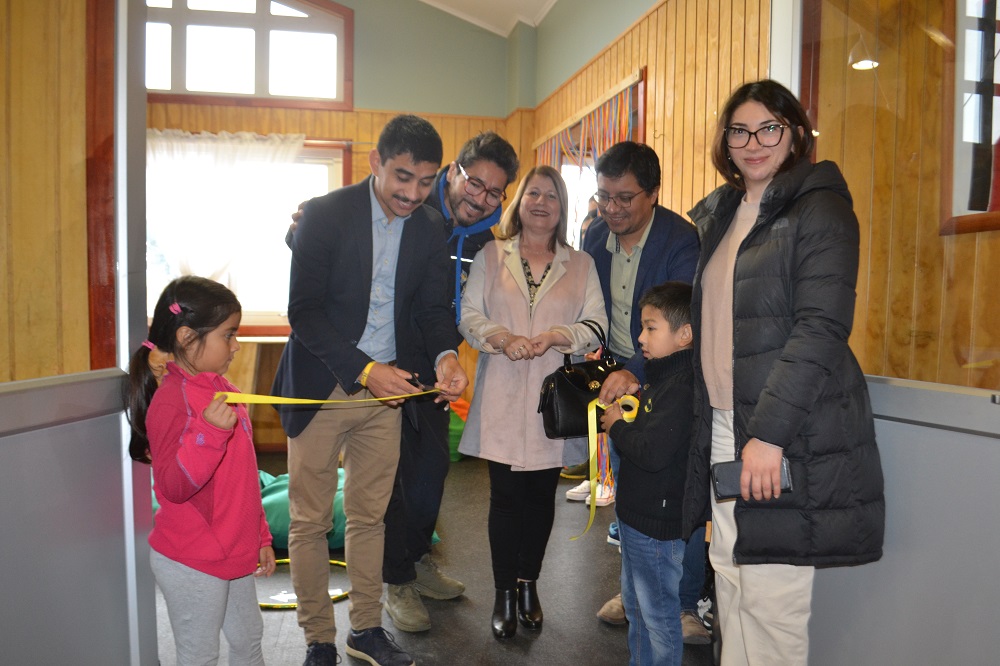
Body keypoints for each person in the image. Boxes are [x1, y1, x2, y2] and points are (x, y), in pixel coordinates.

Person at [682, 79, 885, 665]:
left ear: (794, 133)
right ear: (725, 139)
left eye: (768, 127)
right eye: (740, 130)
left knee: (772, 603)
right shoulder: (724, 211)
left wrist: (767, 437)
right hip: (726, 423)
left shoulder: (818, 207)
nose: (753, 142)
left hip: (779, 432)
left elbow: (820, 328)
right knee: (732, 581)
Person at [271, 114, 469, 666]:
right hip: (320, 386)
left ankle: (364, 629)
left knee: (369, 517)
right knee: (310, 521)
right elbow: (304, 313)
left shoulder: (433, 228)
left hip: (388, 394)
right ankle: (318, 638)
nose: (412, 193)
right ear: (375, 163)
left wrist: (447, 355)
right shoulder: (325, 215)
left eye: (426, 181)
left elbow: (432, 311)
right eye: (402, 177)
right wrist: (364, 370)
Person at [457, 166, 607, 639]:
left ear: (563, 209)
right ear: (519, 202)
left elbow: (597, 324)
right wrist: (500, 337)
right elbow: (469, 314)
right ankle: (503, 591)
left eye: (552, 196)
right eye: (533, 194)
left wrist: (556, 336)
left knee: (541, 499)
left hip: (554, 401)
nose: (541, 203)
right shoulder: (490, 254)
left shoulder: (580, 263)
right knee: (504, 499)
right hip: (501, 389)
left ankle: (528, 585)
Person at [380, 132, 519, 634]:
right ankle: (394, 578)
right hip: (382, 365)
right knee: (393, 476)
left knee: (432, 470)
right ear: (454, 171)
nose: (480, 198)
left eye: (494, 192)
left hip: (435, 365)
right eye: (474, 183)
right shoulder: (411, 204)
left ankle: (415, 560)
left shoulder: (486, 238)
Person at [579, 142, 706, 637]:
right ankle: (636, 589)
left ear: (653, 194)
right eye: (604, 196)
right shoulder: (594, 236)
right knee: (632, 485)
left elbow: (677, 328)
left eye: (624, 198)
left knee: (676, 491)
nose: (611, 208)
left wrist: (633, 368)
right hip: (618, 364)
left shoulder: (681, 241)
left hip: (667, 369)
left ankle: (685, 604)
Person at [126, 275, 276, 666]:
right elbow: (174, 487)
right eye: (228, 335)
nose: (236, 345)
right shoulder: (172, 402)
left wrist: (259, 534)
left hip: (233, 549)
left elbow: (243, 476)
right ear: (187, 338)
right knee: (199, 656)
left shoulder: (222, 387)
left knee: (248, 640)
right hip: (193, 560)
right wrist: (208, 432)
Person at [600, 281, 695, 666]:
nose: (640, 337)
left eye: (651, 327)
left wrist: (616, 426)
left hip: (657, 526)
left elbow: (653, 453)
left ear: (685, 334)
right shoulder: (661, 378)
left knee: (659, 619)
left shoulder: (682, 386)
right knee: (638, 610)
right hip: (638, 520)